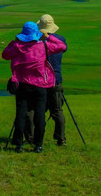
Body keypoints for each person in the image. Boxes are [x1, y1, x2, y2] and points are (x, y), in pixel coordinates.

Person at [2, 21, 67, 153]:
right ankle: (38, 145)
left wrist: (14, 40)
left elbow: (5, 55)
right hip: (40, 86)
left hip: (22, 85)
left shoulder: (16, 46)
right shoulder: (43, 45)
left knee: (20, 114)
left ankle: (19, 145)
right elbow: (62, 47)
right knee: (39, 116)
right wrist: (48, 36)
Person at [38, 14, 68, 146]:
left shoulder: (37, 40)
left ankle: (34, 136)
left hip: (40, 80)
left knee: (37, 109)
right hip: (56, 79)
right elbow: (64, 49)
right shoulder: (60, 39)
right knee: (57, 111)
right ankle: (61, 138)